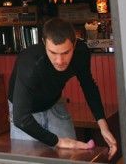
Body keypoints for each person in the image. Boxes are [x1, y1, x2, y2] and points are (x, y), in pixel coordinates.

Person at [8, 18, 117, 159]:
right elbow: (21, 118)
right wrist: (58, 141)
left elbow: (88, 86)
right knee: (27, 161)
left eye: (66, 53)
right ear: (44, 43)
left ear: (75, 43)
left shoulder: (81, 53)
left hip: (54, 102)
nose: (59, 61)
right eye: (53, 53)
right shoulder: (30, 61)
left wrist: (103, 126)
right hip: (24, 110)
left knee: (70, 157)